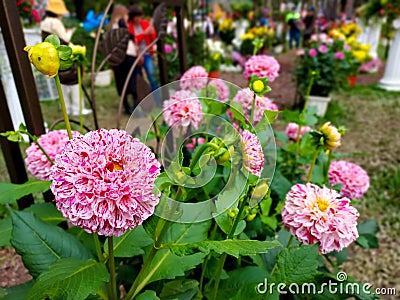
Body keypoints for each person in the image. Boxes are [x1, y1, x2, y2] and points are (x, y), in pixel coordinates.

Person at [40, 0, 91, 116]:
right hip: (63, 55)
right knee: (74, 81)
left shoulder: (44, 22)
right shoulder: (55, 22)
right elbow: (65, 39)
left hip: (52, 56)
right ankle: (78, 108)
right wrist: (71, 32)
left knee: (61, 82)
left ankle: (67, 109)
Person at [108, 4, 142, 114]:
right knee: (132, 81)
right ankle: (135, 107)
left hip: (117, 57)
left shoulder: (111, 25)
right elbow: (128, 35)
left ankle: (126, 106)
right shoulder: (121, 22)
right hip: (127, 56)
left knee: (122, 83)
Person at [128, 5, 161, 106]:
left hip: (147, 54)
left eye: (140, 16)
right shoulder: (129, 26)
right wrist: (144, 33)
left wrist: (151, 31)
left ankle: (158, 101)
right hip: (135, 55)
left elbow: (152, 39)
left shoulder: (145, 24)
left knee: (153, 77)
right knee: (138, 80)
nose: (138, 19)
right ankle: (143, 102)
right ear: (132, 17)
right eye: (136, 16)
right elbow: (132, 40)